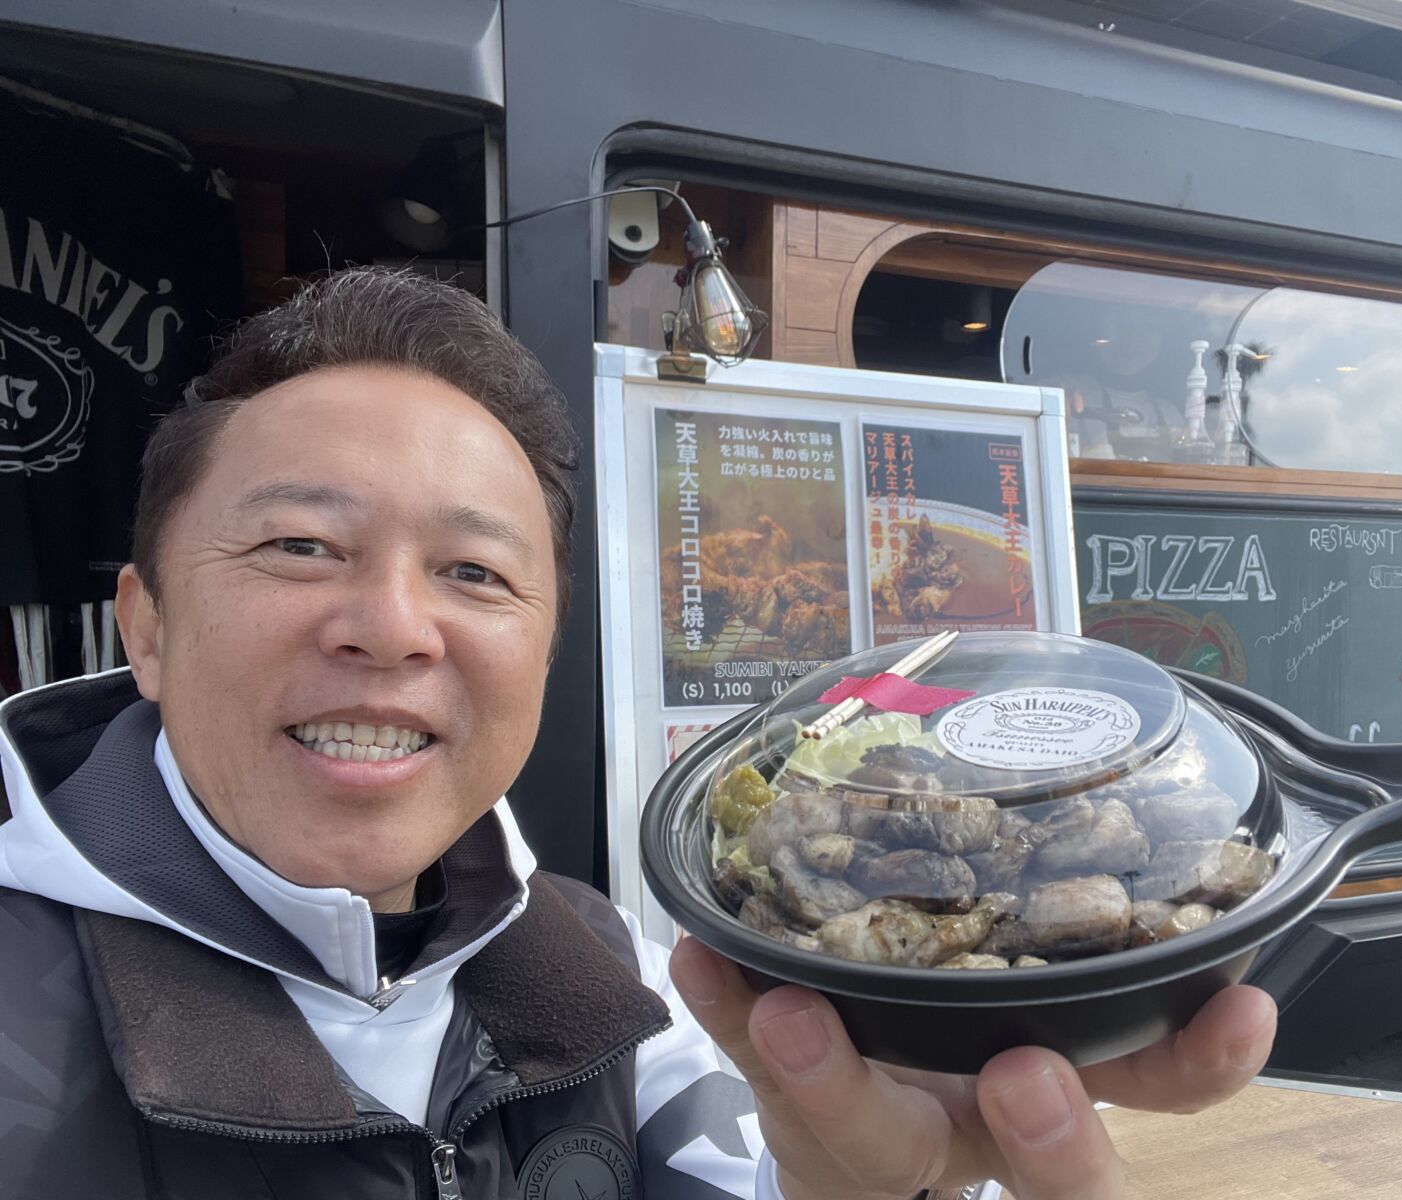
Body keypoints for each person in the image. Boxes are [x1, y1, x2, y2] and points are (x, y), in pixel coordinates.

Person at [0, 267, 1276, 1199]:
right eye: (300, 545)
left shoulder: (608, 975)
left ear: (545, 650)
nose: (391, 628)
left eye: (474, 573)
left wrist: (886, 1164)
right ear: (145, 626)